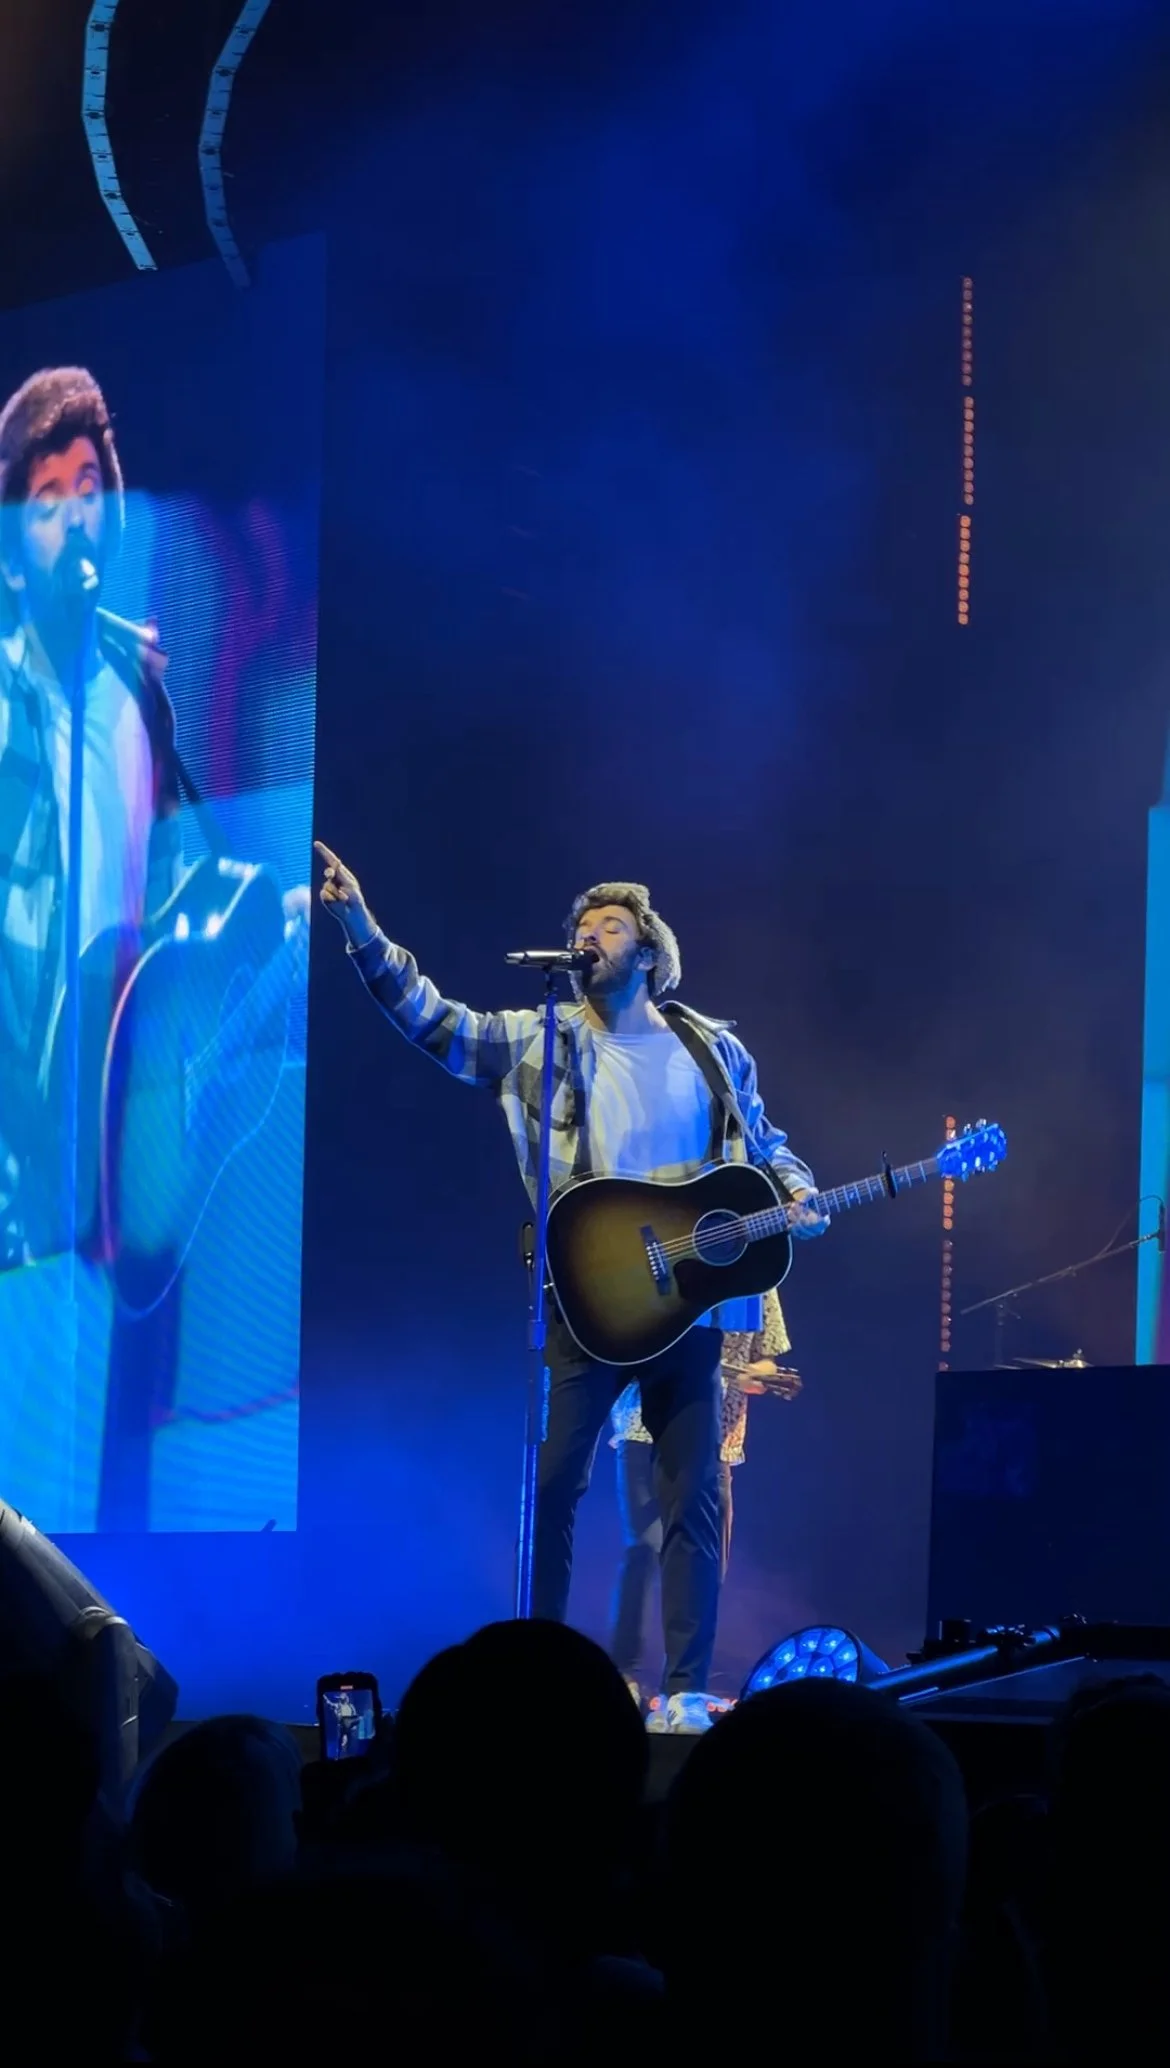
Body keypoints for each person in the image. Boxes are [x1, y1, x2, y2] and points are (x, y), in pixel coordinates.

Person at [315, 845, 826, 1731]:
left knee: (693, 1494)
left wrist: (797, 1187)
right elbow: (433, 1023)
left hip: (691, 1310)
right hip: (587, 1302)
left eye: (609, 927)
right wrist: (362, 927)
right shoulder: (539, 1040)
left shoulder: (712, 1050)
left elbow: (768, 1143)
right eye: (581, 929)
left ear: (650, 951)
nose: (589, 938)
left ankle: (688, 1690)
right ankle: (540, 1679)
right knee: (554, 1485)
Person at [0, 364, 307, 1527]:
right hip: (21, 1147)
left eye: (90, 483)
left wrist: (256, 914)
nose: (74, 508)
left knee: (114, 1470)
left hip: (126, 1133)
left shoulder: (137, 680)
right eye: (45, 493)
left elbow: (179, 860)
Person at [608, 1284, 801, 1710]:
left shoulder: (759, 1272)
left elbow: (767, 1355)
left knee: (707, 1560)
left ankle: (682, 1686)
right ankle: (624, 1672)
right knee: (644, 1547)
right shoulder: (671, 1259)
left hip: (716, 1438)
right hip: (642, 1424)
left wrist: (759, 1376)